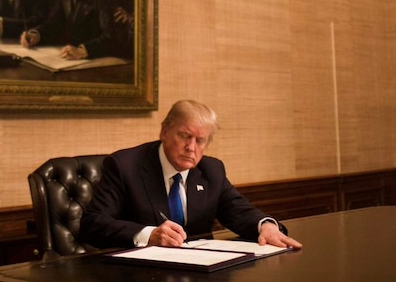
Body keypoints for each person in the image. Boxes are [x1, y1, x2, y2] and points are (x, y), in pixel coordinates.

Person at [79, 100, 303, 250]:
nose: (191, 147)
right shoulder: (125, 166)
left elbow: (238, 210)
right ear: (164, 131)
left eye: (200, 140)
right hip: (139, 279)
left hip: (200, 278)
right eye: (185, 136)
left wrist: (265, 226)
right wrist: (149, 235)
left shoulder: (211, 170)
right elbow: (92, 224)